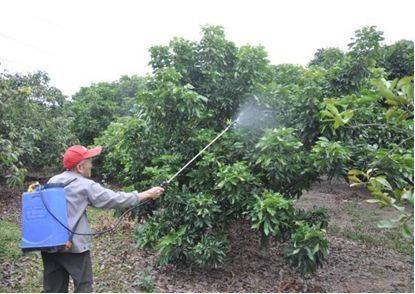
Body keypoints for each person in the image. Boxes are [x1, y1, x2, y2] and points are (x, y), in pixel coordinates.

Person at [41, 145, 164, 293]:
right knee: (83, 286)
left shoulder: (53, 180)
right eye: (89, 161)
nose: (92, 164)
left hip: (49, 245)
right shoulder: (86, 185)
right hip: (74, 248)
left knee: (53, 289)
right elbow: (114, 199)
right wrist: (146, 194)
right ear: (80, 167)